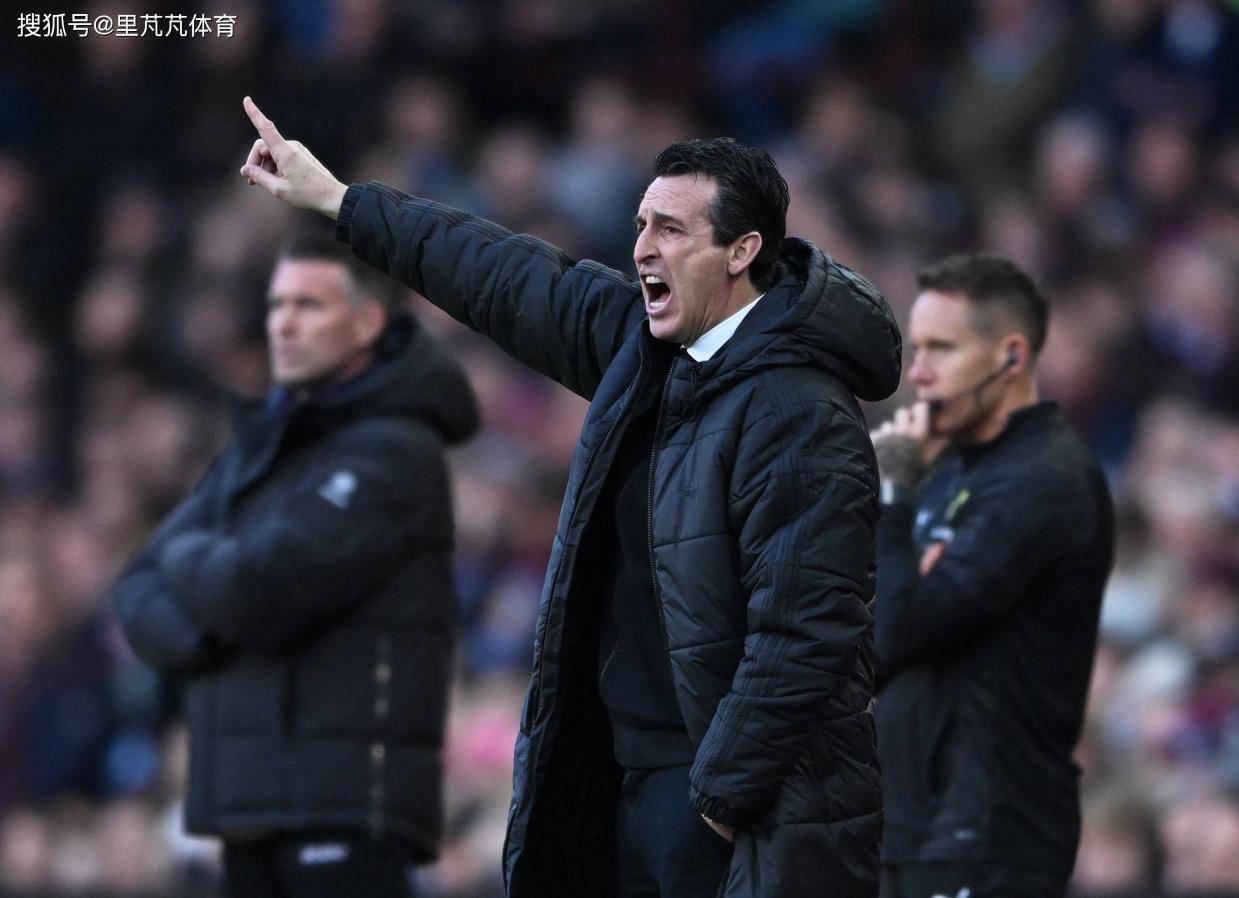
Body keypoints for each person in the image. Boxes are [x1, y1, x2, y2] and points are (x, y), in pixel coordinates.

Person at [237, 97, 902, 897]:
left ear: (742, 251)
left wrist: (718, 801)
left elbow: (805, 635)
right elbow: (502, 275)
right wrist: (343, 202)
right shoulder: (644, 347)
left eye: (670, 230)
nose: (642, 247)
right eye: (641, 224)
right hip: (630, 783)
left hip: (738, 810)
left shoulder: (799, 412)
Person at [110, 234, 479, 898]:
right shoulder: (257, 451)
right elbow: (137, 587)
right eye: (276, 305)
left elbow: (255, 588)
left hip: (345, 809)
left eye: (309, 305)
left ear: (367, 322)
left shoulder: (396, 452)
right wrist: (215, 630)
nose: (283, 322)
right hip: (246, 813)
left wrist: (192, 566)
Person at [870, 254, 1115, 898]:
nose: (918, 373)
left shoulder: (1044, 480)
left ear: (1011, 356)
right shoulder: (948, 470)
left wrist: (893, 498)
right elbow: (872, 620)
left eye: (942, 350)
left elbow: (896, 628)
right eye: (917, 349)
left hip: (987, 835)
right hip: (915, 826)